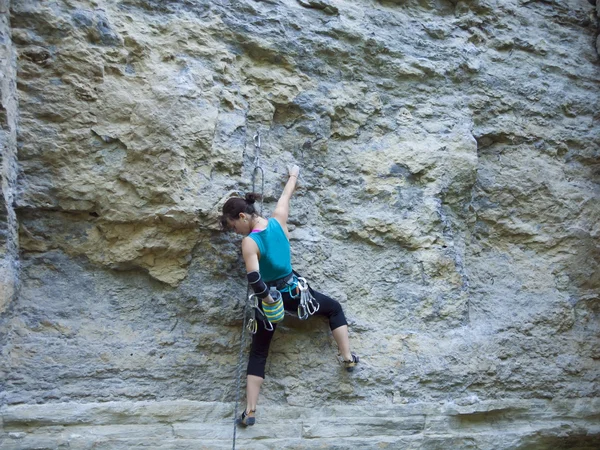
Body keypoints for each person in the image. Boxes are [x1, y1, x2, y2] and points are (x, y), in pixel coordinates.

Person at [220, 164, 359, 427]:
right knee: (333, 309)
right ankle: (348, 358)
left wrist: (269, 301)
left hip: (269, 301)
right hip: (295, 293)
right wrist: (293, 174)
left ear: (242, 216)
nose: (234, 232)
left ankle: (250, 411)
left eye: (233, 226)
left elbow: (254, 280)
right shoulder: (277, 221)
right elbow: (286, 196)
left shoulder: (250, 242)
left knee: (259, 351)